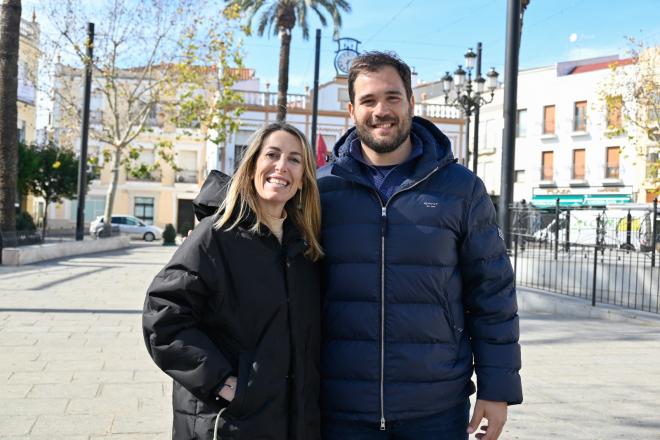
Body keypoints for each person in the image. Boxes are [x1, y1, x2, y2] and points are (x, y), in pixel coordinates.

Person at [317, 51, 522, 440]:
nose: (382, 110)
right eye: (368, 100)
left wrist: (497, 388)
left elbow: (492, 292)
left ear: (412, 103)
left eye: (393, 97)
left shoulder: (461, 188)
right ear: (351, 110)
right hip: (340, 407)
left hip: (437, 409)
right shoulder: (320, 188)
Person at [142, 122, 323, 440]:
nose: (282, 166)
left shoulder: (305, 248)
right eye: (272, 154)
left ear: (304, 178)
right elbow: (164, 317)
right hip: (226, 422)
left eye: (295, 159)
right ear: (252, 164)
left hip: (288, 422)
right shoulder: (216, 234)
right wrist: (223, 383)